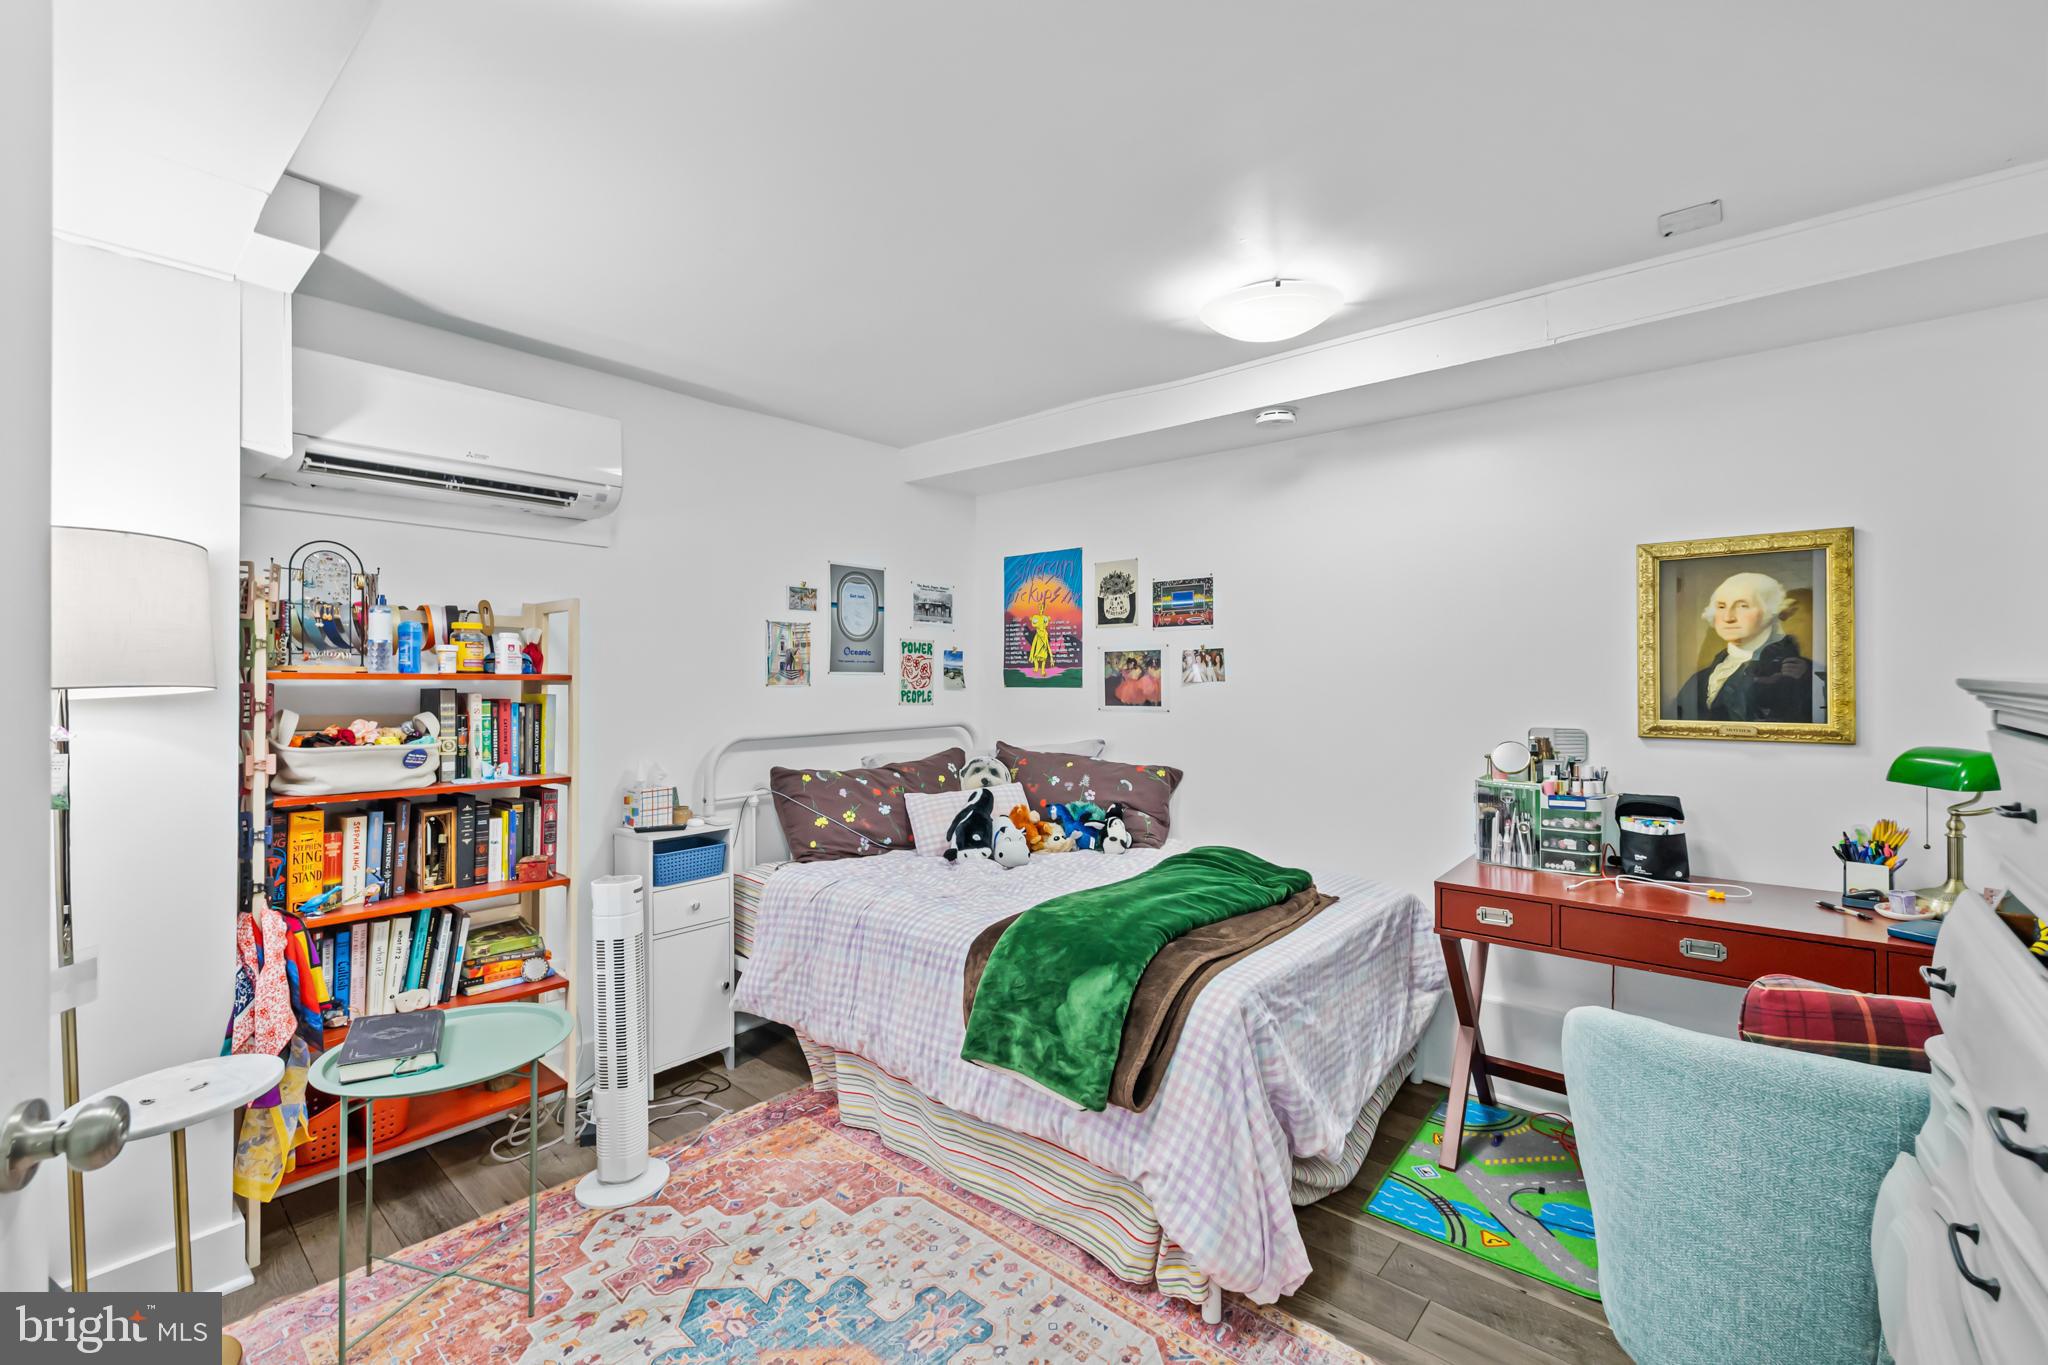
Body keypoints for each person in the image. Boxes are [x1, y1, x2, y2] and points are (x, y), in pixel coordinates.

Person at [1670, 571, 1814, 723]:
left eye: (1743, 606)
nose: (1728, 617)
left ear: (1771, 612)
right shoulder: (1699, 679)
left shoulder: (1801, 672)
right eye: (1721, 606)